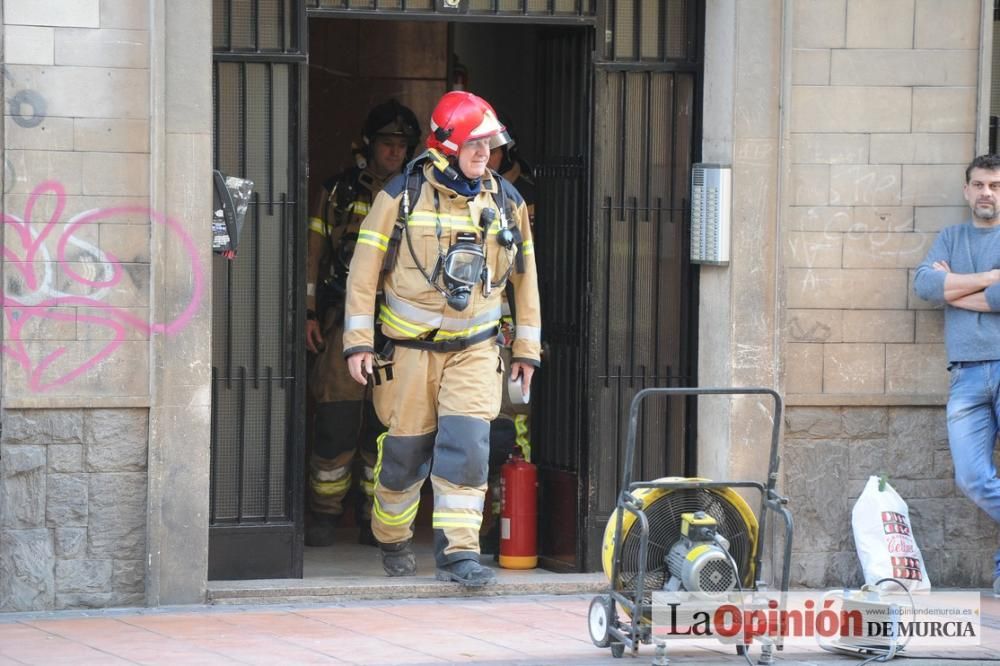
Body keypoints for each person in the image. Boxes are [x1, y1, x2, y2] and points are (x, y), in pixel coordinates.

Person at [342, 91, 542, 587]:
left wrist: (526, 350)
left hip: (475, 349)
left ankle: (460, 553)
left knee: (469, 448)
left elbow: (526, 279)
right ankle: (391, 536)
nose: (484, 154)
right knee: (405, 456)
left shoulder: (505, 201)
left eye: (490, 145)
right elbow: (363, 274)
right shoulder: (400, 195)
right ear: (445, 146)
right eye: (474, 144)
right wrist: (359, 342)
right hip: (408, 353)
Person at [304, 99, 421, 547]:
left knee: (386, 425)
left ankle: (378, 521)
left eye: (402, 145)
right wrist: (311, 313)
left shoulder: (420, 193)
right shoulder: (338, 192)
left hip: (399, 326)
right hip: (343, 319)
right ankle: (324, 515)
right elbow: (314, 256)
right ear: (369, 144)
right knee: (335, 418)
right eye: (387, 143)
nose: (394, 151)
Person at [913, 153, 1000, 596]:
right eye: (981, 185)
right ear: (967, 190)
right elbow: (925, 285)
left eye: (996, 186)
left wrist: (954, 290)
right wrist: (985, 277)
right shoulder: (950, 236)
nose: (988, 193)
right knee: (971, 479)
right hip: (965, 373)